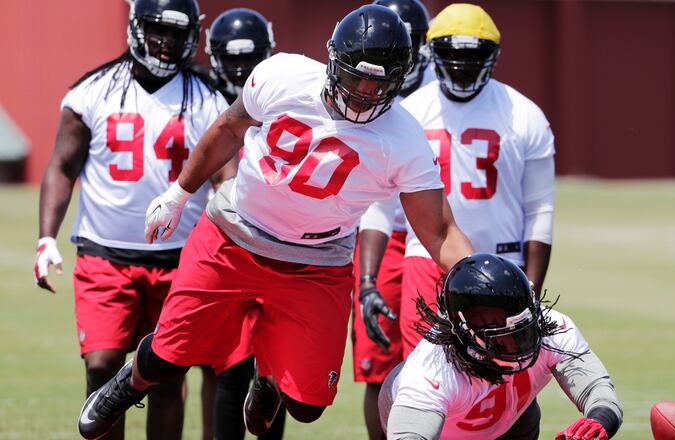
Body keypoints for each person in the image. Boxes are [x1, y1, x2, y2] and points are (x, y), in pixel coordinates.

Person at [76, 4, 474, 440]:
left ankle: (267, 376)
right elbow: (228, 128)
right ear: (331, 61)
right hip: (233, 238)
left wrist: (482, 282)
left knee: (306, 407)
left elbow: (438, 231)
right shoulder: (283, 75)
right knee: (169, 359)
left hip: (317, 264)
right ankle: (127, 382)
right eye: (355, 76)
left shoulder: (403, 138)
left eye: (379, 83)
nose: (363, 91)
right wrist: (178, 194)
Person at [34, 0, 229, 439]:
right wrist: (46, 238)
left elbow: (226, 179)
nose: (167, 41)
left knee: (166, 377)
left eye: (178, 33)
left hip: (180, 261)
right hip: (105, 256)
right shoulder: (92, 91)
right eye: (158, 29)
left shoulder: (207, 98)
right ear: (137, 28)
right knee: (102, 367)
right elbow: (62, 166)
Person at [373, 3, 557, 359]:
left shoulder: (525, 115)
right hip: (427, 259)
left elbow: (540, 210)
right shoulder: (410, 111)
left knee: (506, 373)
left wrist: (531, 287)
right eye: (452, 53)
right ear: (431, 52)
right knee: (427, 376)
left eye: (472, 55)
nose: (461, 64)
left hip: (504, 262)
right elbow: (380, 204)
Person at [378, 253, 624, 439]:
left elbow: (598, 391)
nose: (522, 344)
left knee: (518, 400)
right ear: (466, 332)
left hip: (516, 421)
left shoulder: (552, 327)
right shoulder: (431, 372)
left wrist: (598, 421)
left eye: (526, 330)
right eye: (505, 338)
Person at [351, 1, 434, 438]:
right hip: (377, 231)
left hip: (431, 233)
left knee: (436, 362)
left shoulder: (441, 92)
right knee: (377, 362)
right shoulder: (362, 87)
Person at [204, 8, 286, 440]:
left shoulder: (284, 101)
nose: (239, 70)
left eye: (248, 61)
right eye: (231, 60)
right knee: (230, 366)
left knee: (275, 369)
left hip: (281, 246)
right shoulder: (202, 101)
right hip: (220, 247)